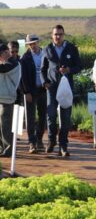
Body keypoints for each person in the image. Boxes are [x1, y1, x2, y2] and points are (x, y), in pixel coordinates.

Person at [41, 25, 82, 157]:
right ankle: (51, 141)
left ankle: (63, 146)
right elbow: (42, 69)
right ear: (52, 35)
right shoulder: (47, 49)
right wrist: (45, 82)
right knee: (51, 116)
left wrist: (69, 70)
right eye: (55, 34)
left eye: (60, 34)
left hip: (66, 88)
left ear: (64, 35)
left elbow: (79, 66)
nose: (58, 36)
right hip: (52, 88)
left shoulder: (72, 48)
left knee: (65, 118)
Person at [21, 34, 47, 153]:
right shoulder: (25, 58)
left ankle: (39, 139)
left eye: (34, 43)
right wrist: (26, 92)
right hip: (31, 91)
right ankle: (32, 142)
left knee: (42, 117)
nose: (33, 46)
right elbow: (23, 77)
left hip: (43, 90)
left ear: (38, 43)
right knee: (30, 117)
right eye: (30, 44)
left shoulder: (46, 54)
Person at [8, 41, 23, 105]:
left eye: (16, 51)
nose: (14, 54)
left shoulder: (21, 61)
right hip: (8, 92)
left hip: (19, 91)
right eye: (12, 52)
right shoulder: (5, 62)